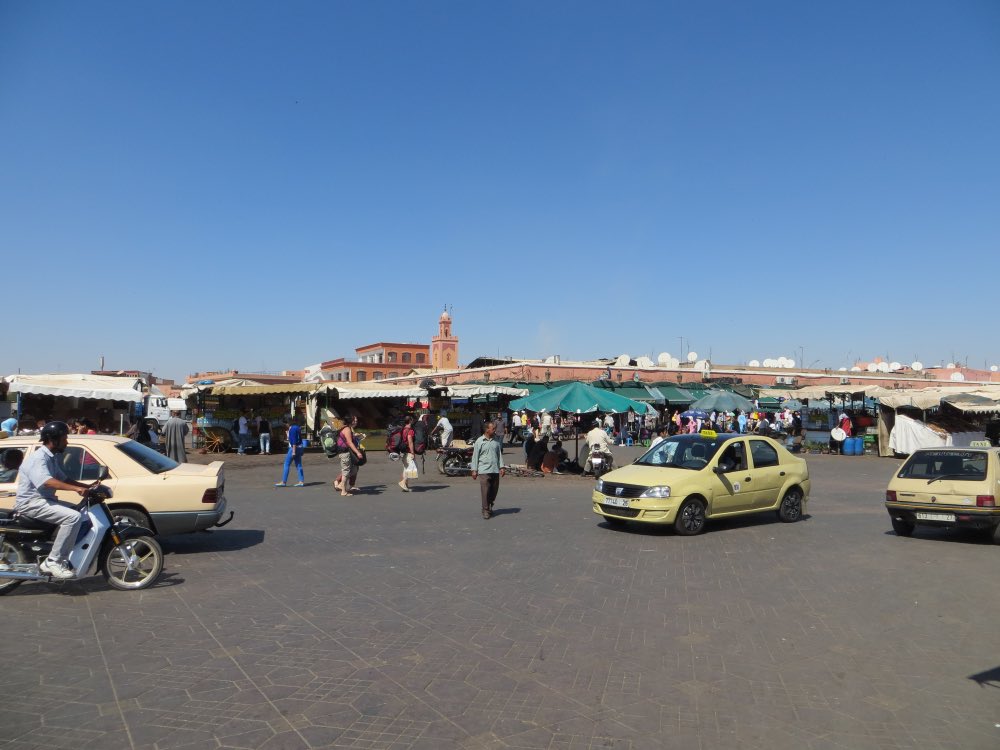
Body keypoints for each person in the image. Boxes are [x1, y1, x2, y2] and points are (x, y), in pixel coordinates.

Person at [14, 422, 93, 579]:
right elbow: (47, 481)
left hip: (44, 500)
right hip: (31, 503)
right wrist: (76, 489)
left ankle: (62, 555)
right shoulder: (39, 458)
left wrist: (89, 487)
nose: (67, 442)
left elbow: (64, 478)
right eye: (64, 438)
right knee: (73, 517)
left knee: (81, 513)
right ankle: (53, 560)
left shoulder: (52, 458)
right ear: (54, 440)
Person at [471, 420, 505, 519]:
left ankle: (490, 504)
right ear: (487, 430)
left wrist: (502, 467)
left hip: (495, 469)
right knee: (485, 491)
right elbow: (475, 456)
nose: (495, 430)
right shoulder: (479, 441)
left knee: (494, 491)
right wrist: (474, 470)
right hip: (483, 470)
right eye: (493, 428)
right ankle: (485, 510)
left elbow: (499, 455)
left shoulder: (496, 442)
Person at [334, 415, 365, 496]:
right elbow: (349, 442)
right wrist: (358, 452)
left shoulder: (347, 428)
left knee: (354, 469)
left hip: (347, 452)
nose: (356, 422)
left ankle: (341, 485)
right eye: (354, 420)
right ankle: (343, 491)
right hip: (345, 453)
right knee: (346, 472)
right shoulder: (347, 429)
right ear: (350, 421)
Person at [276, 418, 305, 487]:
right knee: (298, 465)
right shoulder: (297, 428)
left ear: (287, 423)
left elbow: (293, 441)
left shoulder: (292, 429)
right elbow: (298, 439)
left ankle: (283, 481)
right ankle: (301, 481)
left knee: (286, 464)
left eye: (285, 424)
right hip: (300, 447)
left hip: (294, 448)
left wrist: (294, 451)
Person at [399, 415, 415, 492]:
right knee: (411, 468)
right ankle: (403, 483)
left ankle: (405, 486)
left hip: (403, 451)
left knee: (405, 468)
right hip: (408, 451)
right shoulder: (410, 430)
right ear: (410, 421)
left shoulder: (403, 429)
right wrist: (412, 452)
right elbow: (410, 442)